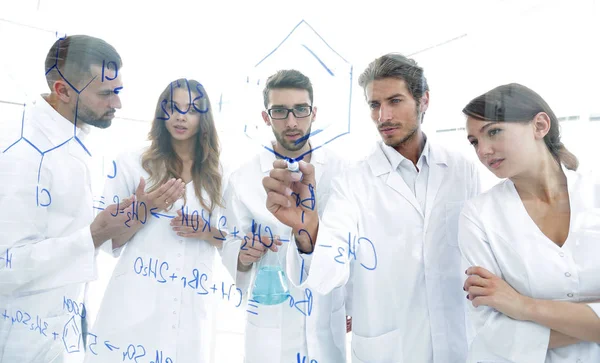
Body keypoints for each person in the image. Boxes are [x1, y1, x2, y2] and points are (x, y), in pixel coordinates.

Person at [261, 53, 481, 363]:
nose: (383, 117)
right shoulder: (352, 182)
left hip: (461, 343)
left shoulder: (462, 170)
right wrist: (307, 228)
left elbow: (481, 255)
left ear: (424, 100)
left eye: (394, 101)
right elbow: (330, 272)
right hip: (389, 350)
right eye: (374, 105)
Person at [0, 35, 140, 363]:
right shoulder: (22, 153)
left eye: (118, 91)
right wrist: (94, 234)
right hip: (18, 339)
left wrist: (128, 218)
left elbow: (64, 229)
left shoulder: (72, 137)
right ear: (62, 91)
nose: (117, 104)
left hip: (56, 328)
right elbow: (6, 264)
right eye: (106, 94)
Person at [86, 79, 239, 363]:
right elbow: (108, 240)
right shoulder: (133, 163)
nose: (181, 116)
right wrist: (145, 208)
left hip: (191, 304)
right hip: (135, 299)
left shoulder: (221, 174)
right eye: (173, 108)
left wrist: (207, 232)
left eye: (191, 110)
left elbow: (232, 243)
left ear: (204, 118)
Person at [459, 83, 600, 363]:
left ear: (540, 125)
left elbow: (512, 326)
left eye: (494, 131)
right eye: (475, 141)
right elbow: (491, 331)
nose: (483, 151)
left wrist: (521, 306)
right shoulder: (478, 216)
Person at [223, 69, 349, 363]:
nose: (291, 122)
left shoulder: (343, 173)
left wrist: (355, 304)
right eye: (280, 111)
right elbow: (229, 249)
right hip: (271, 321)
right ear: (266, 117)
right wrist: (243, 255)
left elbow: (354, 247)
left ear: (313, 113)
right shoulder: (242, 178)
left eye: (300, 110)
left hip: (325, 315)